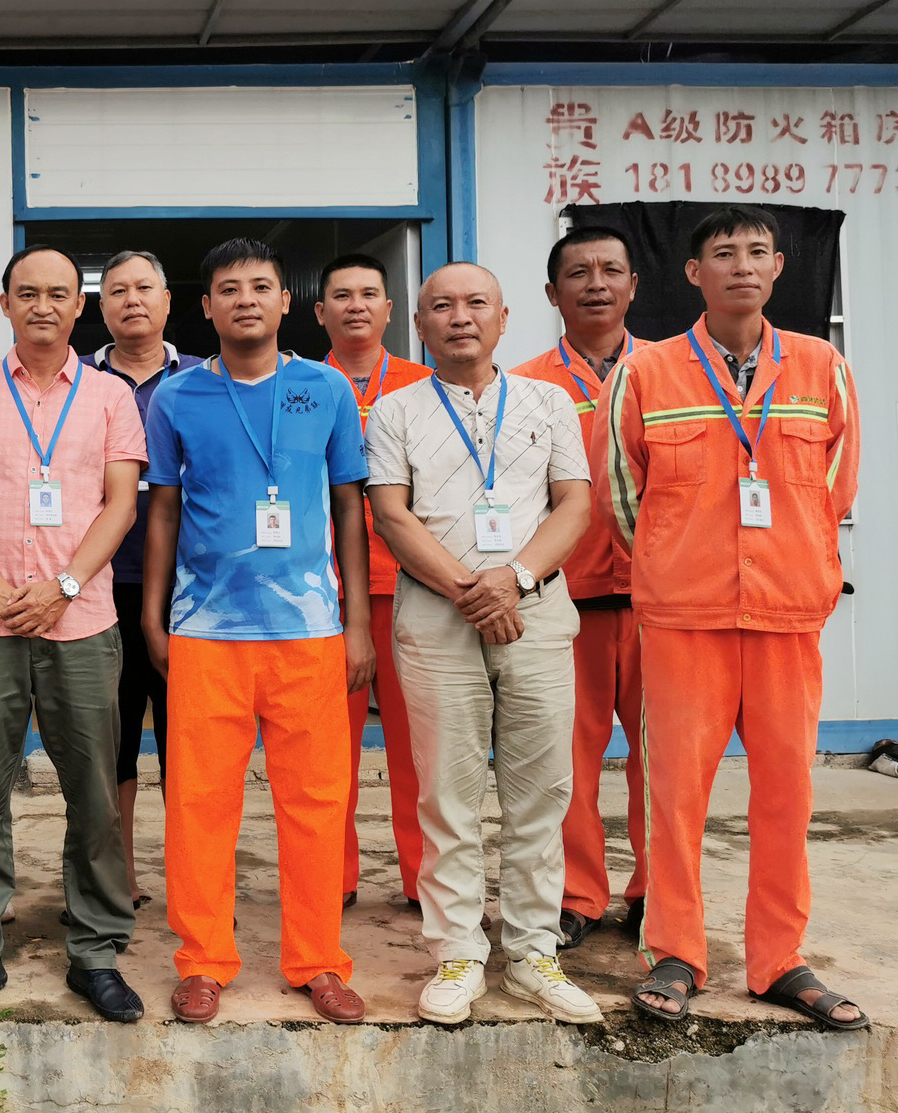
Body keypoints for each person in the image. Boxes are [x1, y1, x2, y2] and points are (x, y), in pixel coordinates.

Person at [595, 205, 866, 1030]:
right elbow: (621, 494)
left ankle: (779, 958)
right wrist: (673, 562)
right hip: (684, 619)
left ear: (779, 267)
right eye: (723, 252)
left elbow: (834, 489)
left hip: (787, 616)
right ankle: (676, 951)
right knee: (675, 794)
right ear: (693, 272)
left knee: (787, 793)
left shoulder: (821, 365)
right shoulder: (645, 372)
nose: (741, 265)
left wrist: (796, 561)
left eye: (756, 251)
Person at [365, 262, 602, 1026]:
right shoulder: (395, 410)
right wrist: (472, 589)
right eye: (442, 305)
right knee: (448, 792)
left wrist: (516, 578)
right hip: (438, 619)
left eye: (475, 303)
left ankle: (533, 952)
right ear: (420, 325)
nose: (459, 316)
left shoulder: (548, 400)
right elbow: (391, 515)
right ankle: (459, 950)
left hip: (535, 611)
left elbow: (575, 505)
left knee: (542, 792)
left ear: (503, 318)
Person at [142, 238, 373, 1025]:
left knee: (317, 800)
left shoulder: (325, 388)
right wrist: (153, 615)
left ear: (284, 301)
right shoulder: (176, 396)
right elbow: (163, 509)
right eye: (229, 288)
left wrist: (357, 624)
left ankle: (319, 959)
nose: (246, 298)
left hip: (309, 631)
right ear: (206, 306)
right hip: (206, 631)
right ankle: (204, 959)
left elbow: (349, 506)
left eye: (261, 286)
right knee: (199, 803)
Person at [0, 245, 148, 1024]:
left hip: (80, 621)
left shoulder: (112, 395)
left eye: (59, 293)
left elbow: (121, 504)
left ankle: (96, 951)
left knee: (93, 795)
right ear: (5, 303)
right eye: (28, 293)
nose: (44, 306)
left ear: (78, 306)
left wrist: (61, 588)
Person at [510, 227, 648, 950]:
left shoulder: (672, 373)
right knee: (565, 760)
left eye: (611, 270)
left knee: (664, 762)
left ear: (633, 285)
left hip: (661, 602)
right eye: (579, 273)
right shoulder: (524, 386)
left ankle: (657, 892)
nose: (596, 283)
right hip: (569, 600)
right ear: (552, 292)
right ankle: (577, 894)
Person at [313, 252, 430, 909]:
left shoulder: (425, 385)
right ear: (319, 311)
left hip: (415, 588)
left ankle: (423, 879)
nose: (355, 305)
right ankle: (333, 876)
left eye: (368, 294)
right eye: (342, 294)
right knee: (329, 751)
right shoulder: (298, 386)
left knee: (421, 748)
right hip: (326, 597)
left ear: (390, 310)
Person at [91, 249, 202, 909]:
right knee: (115, 741)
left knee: (190, 746)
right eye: (117, 290)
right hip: (100, 587)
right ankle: (120, 876)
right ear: (101, 306)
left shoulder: (205, 378)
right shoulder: (78, 380)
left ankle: (195, 880)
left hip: (194, 590)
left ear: (167, 301)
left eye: (143, 288)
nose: (131, 300)